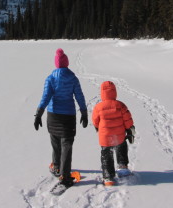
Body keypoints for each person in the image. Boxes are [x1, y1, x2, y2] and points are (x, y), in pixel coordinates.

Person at [34, 48, 88, 192]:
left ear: (56, 64)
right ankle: (65, 176)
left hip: (53, 116)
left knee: (56, 143)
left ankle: (57, 166)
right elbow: (79, 96)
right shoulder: (73, 78)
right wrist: (84, 112)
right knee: (66, 146)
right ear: (67, 63)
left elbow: (45, 97)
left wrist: (39, 113)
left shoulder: (50, 78)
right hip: (68, 117)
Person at [92, 80, 135, 186]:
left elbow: (95, 120)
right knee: (121, 147)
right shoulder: (120, 105)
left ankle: (108, 177)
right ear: (115, 92)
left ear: (102, 93)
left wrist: (97, 127)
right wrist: (129, 129)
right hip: (119, 135)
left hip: (105, 136)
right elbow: (127, 119)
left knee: (106, 155)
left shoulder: (98, 107)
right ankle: (123, 168)